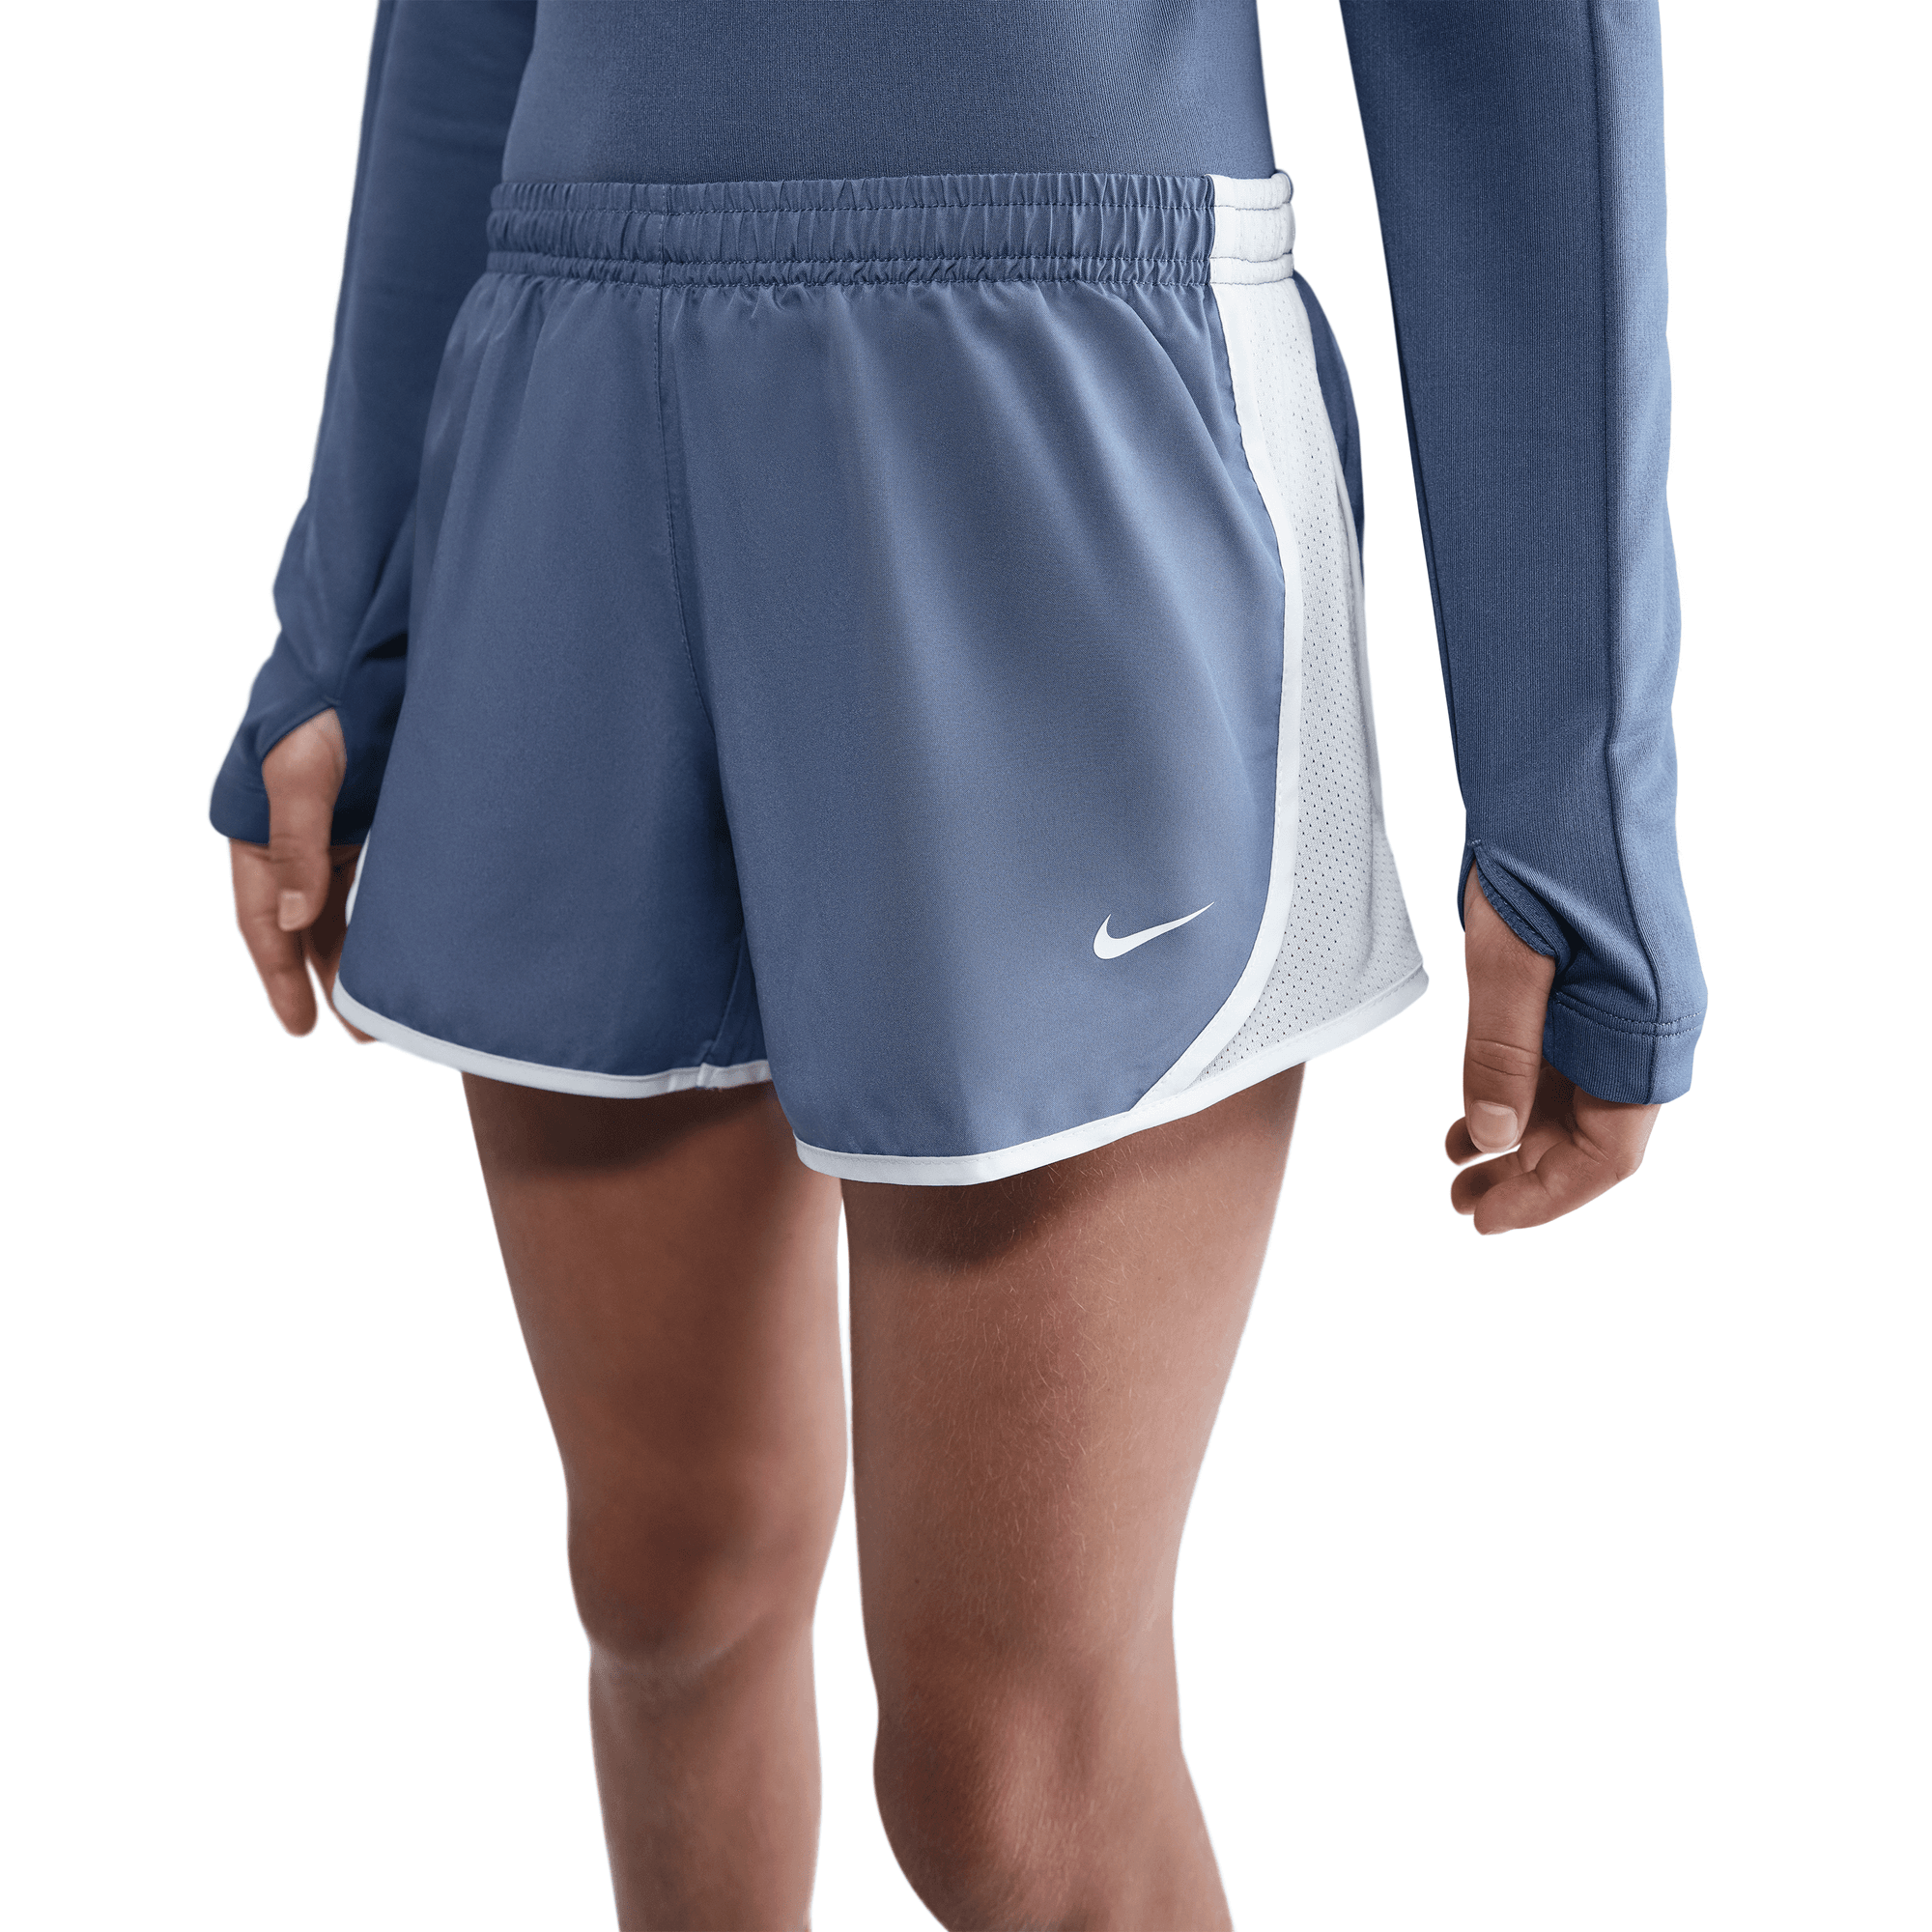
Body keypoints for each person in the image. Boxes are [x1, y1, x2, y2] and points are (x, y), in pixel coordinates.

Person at [213, 3, 1704, 1923]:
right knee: (668, 1585)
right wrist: (348, 613)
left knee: (1011, 1774)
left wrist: (1572, 799)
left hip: (1056, 376)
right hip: (568, 382)